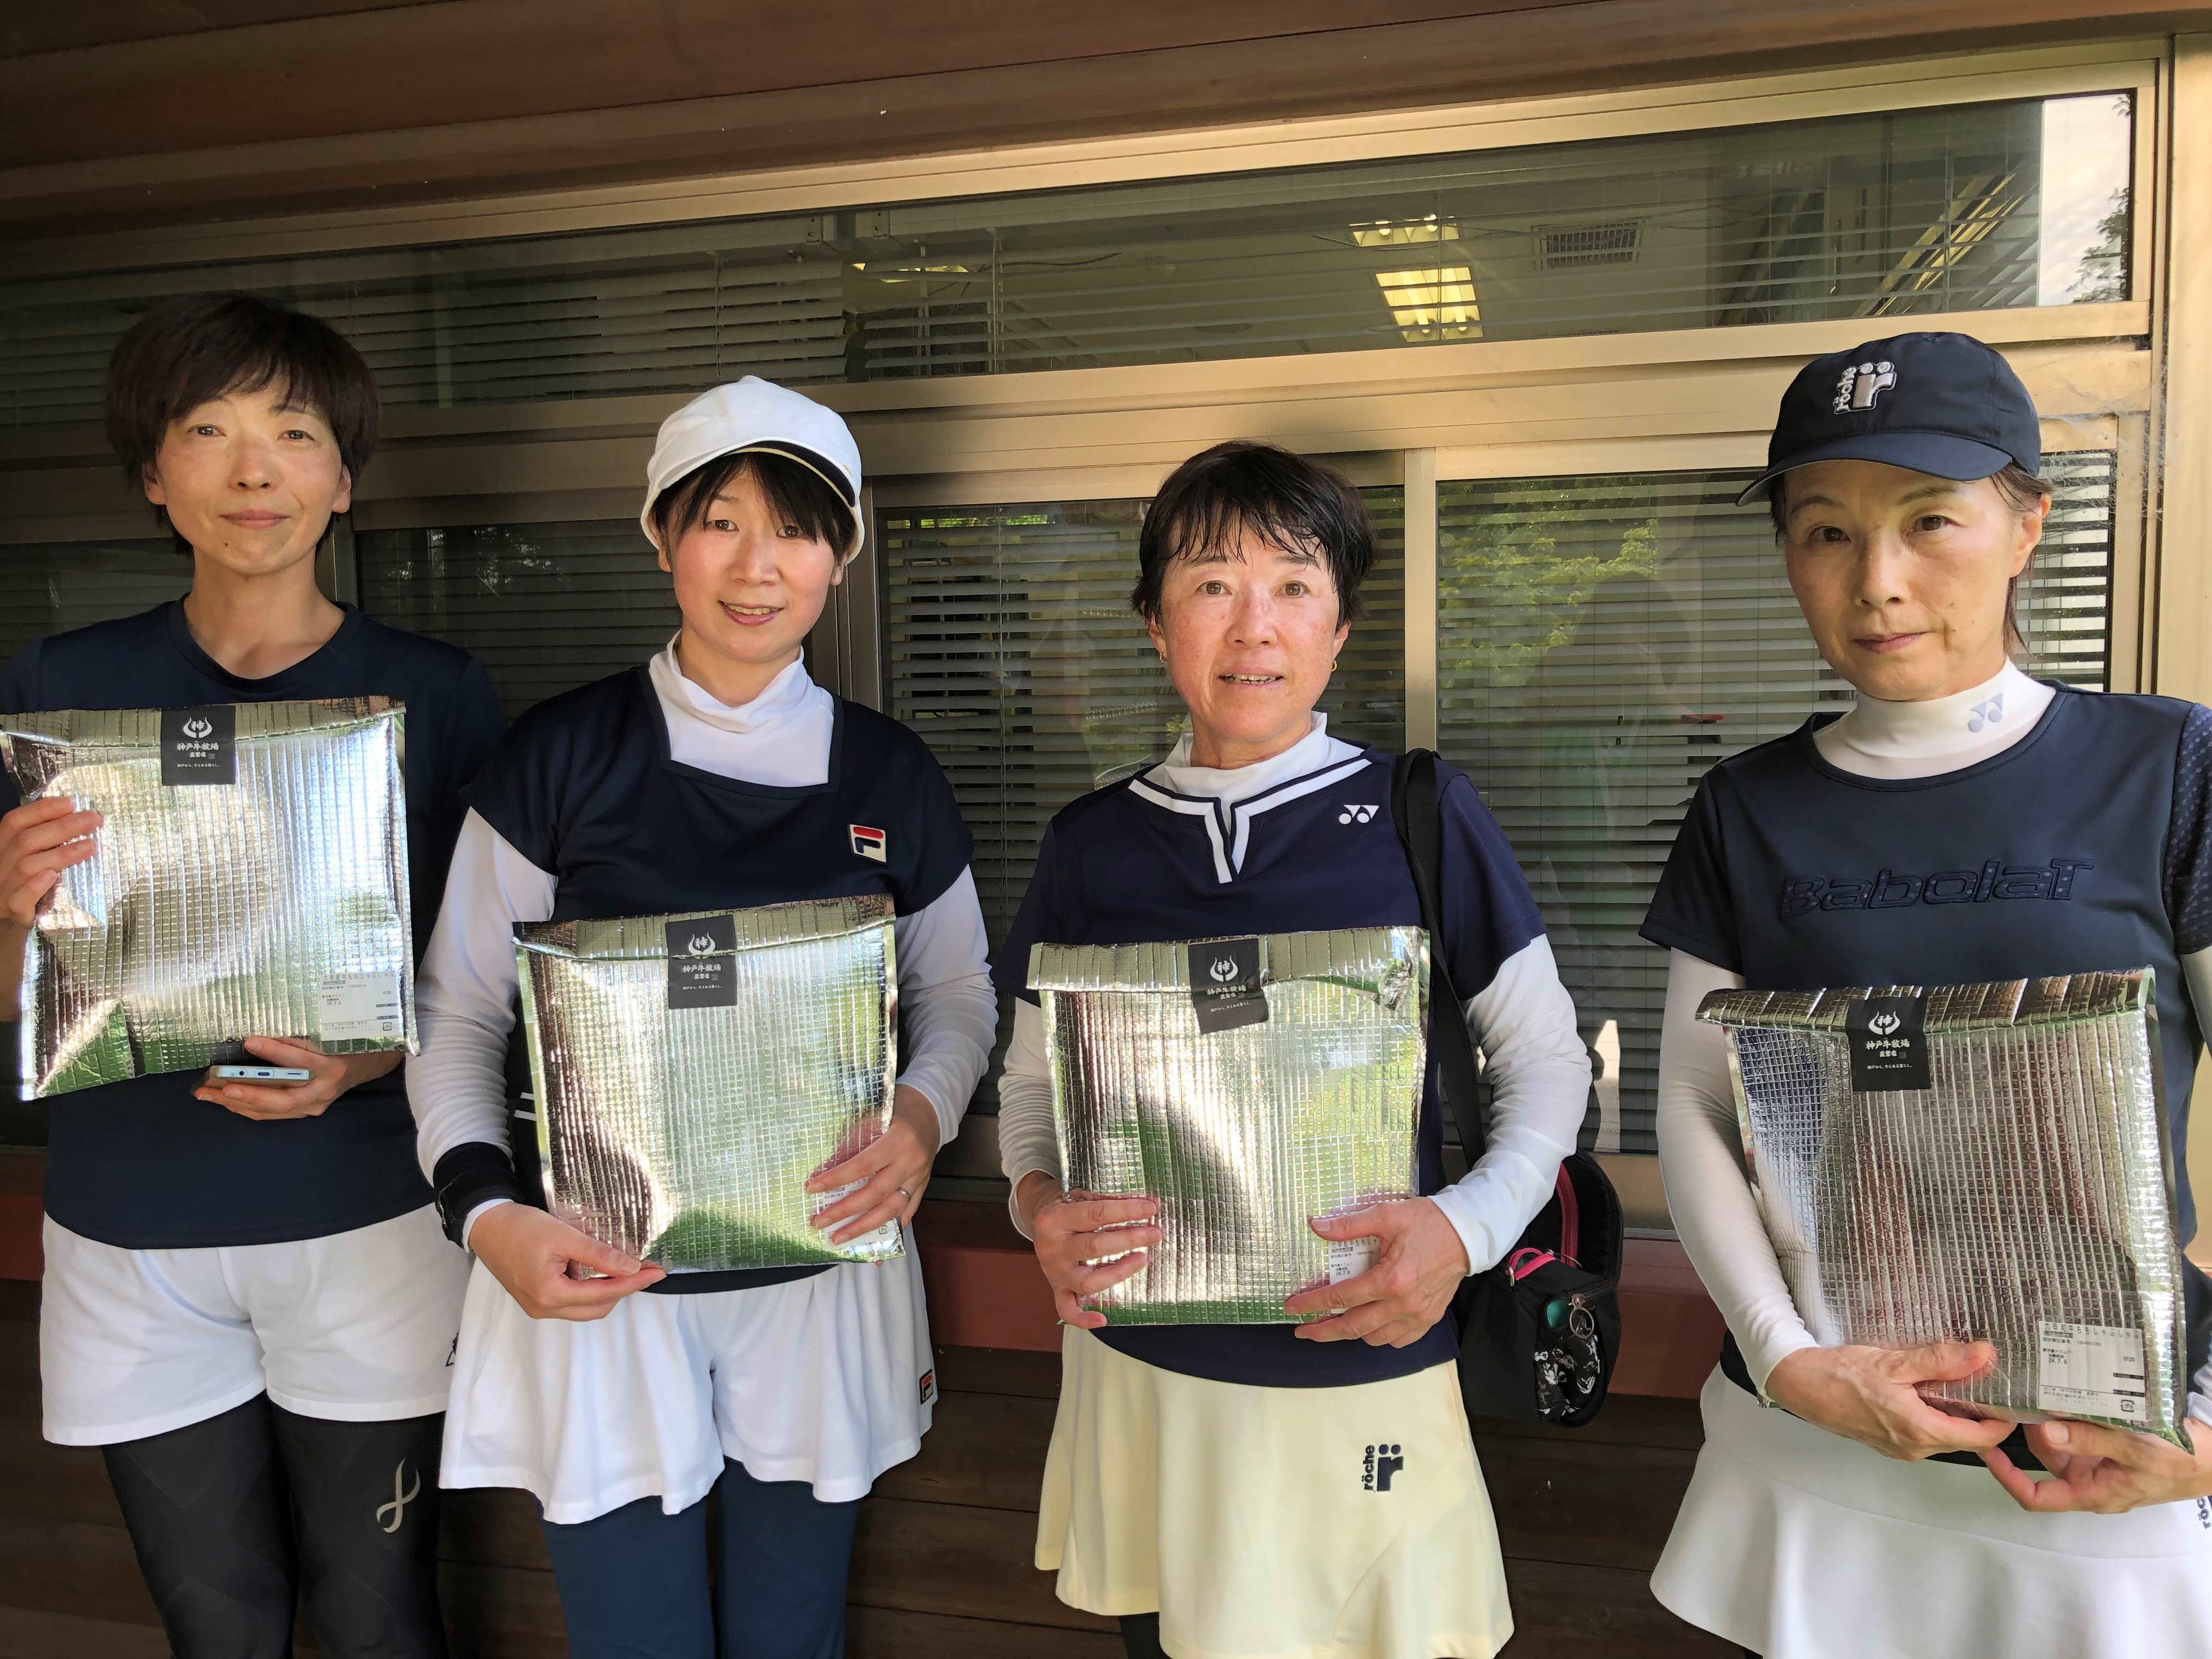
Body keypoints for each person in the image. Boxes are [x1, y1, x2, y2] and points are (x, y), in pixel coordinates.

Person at [1641, 331, 2212, 1658]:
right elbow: (1694, 1104)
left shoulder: (2165, 766)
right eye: (1825, 533)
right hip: (1817, 1436)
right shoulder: (1747, 807)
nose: (1878, 581)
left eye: (1929, 520)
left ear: (2027, 526)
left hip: (2109, 1448)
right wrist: (1787, 1360)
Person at [408, 376, 997, 1659]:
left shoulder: (891, 772)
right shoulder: (561, 757)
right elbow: (458, 1011)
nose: (756, 565)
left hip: (821, 1276)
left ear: (839, 555)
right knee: (635, 1635)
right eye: (720, 522)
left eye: (794, 529)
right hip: (597, 1281)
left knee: (794, 1629)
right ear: (664, 537)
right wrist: (486, 1214)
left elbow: (957, 992)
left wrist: (921, 1116)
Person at [994, 440, 1593, 1659]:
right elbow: (1030, 1086)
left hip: (1363, 1356)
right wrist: (1036, 1204)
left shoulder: (1419, 814)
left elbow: (1546, 1060)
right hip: (1141, 1370)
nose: (1253, 624)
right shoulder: (1092, 845)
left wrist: (1465, 1232)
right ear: (1156, 622)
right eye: (1212, 584)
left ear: (1339, 627)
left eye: (1294, 586)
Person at [0, 292, 506, 1657]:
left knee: (380, 1612)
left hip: (364, 1209)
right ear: (154, 476)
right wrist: (8, 908)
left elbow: (483, 986)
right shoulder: (61, 686)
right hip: (127, 1221)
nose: (253, 470)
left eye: (293, 432)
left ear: (343, 478)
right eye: (207, 431)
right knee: (214, 1623)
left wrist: (366, 1061)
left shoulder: (435, 691)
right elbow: (16, 997)